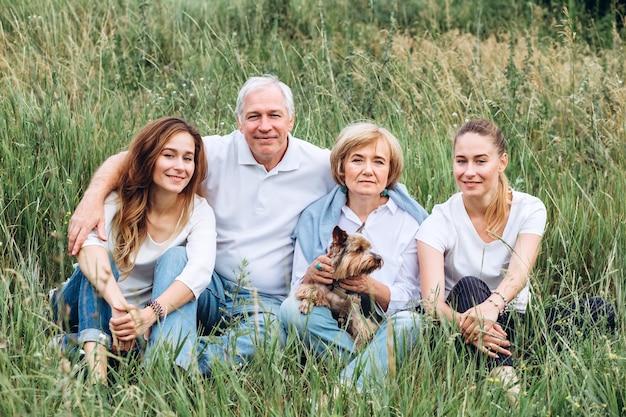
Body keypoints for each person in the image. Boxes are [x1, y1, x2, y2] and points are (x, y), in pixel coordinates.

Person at [66, 75, 336, 376]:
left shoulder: (320, 165)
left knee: (268, 339)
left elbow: (373, 180)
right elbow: (134, 158)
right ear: (238, 121)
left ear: (291, 120)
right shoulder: (211, 152)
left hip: (266, 302)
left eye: (274, 115)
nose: (264, 126)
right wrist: (92, 198)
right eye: (253, 116)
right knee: (177, 259)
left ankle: (158, 360)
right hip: (210, 285)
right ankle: (165, 365)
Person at [416, 119, 615, 401]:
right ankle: (514, 395)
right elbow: (431, 302)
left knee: (599, 309)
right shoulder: (438, 221)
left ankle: (504, 358)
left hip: (516, 321)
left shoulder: (529, 208)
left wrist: (493, 307)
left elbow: (518, 273)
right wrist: (469, 324)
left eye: (480, 161)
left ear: (502, 162)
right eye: (461, 161)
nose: (469, 171)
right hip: (461, 325)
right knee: (471, 285)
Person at [54, 116, 216, 382]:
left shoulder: (198, 211)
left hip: (138, 316)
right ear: (150, 157)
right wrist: (120, 308)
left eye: (188, 158)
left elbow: (200, 271)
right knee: (103, 264)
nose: (179, 166)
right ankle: (97, 381)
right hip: (81, 300)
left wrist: (147, 316)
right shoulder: (118, 198)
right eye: (169, 155)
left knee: (142, 342)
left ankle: (68, 346)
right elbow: (89, 249)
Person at [279, 122, 428, 391]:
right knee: (291, 311)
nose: (368, 170)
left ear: (390, 171)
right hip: (336, 317)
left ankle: (343, 386)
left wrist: (373, 288)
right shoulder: (317, 218)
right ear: (341, 167)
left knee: (411, 324)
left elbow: (419, 296)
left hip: (387, 320)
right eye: (357, 160)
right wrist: (312, 275)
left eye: (379, 162)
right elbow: (296, 289)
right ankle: (371, 373)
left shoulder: (409, 221)